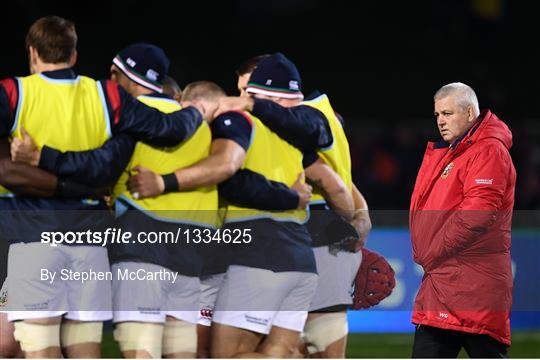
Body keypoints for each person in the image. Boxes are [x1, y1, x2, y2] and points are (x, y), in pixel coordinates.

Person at [0, 16, 204, 358]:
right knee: (86, 349)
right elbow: (171, 128)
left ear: (32, 53)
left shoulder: (11, 92)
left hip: (33, 237)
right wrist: (198, 110)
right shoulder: (106, 95)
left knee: (39, 349)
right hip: (90, 244)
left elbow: (7, 172)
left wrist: (50, 173)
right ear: (74, 55)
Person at [218, 52, 372, 357]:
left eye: (246, 90)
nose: (240, 98)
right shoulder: (316, 116)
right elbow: (341, 180)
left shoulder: (306, 118)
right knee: (302, 347)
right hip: (322, 238)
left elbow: (331, 180)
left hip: (310, 236)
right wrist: (361, 215)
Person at [409, 82, 515, 358]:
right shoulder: (457, 151)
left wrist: (432, 252)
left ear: (470, 113)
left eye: (447, 114)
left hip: (474, 286)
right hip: (443, 282)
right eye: (437, 115)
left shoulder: (489, 150)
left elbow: (477, 215)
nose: (440, 122)